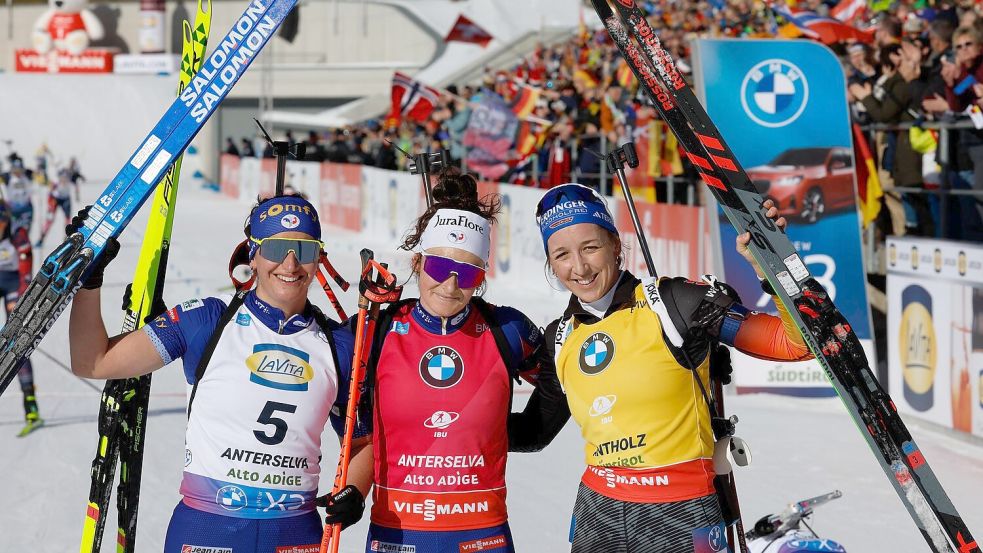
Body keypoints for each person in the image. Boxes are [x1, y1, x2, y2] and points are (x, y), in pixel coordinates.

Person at [514, 184, 814, 553]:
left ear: (615, 245)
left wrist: (771, 265)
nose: (579, 268)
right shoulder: (559, 337)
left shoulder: (675, 304)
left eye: (590, 247)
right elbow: (532, 432)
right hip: (598, 515)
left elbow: (797, 345)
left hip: (682, 513)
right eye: (561, 255)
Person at [68, 195, 368, 553]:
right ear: (252, 254)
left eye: (304, 250)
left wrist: (354, 490)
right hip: (205, 529)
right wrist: (89, 282)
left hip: (295, 534)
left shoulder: (340, 345)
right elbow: (94, 362)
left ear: (319, 257)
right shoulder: (207, 320)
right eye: (277, 247)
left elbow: (362, 442)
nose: (290, 263)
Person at [342, 170, 545, 553]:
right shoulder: (378, 327)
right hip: (398, 532)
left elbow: (569, 378)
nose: (450, 286)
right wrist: (353, 487)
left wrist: (531, 432)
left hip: (482, 534)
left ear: (481, 277)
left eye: (467, 272)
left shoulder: (508, 330)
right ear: (418, 263)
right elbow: (314, 367)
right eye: (438, 267)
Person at [0, 201, 42, 436]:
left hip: (13, 282)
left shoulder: (17, 233)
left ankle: (31, 405)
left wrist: (21, 305)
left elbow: (26, 272)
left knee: (16, 343)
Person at [36, 168, 77, 248]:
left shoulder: (70, 180)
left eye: (66, 178)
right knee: (49, 220)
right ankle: (41, 239)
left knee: (67, 219)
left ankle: (67, 238)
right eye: (62, 178)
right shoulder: (55, 181)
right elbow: (49, 192)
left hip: (65, 199)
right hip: (55, 199)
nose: (64, 180)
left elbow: (76, 182)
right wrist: (49, 204)